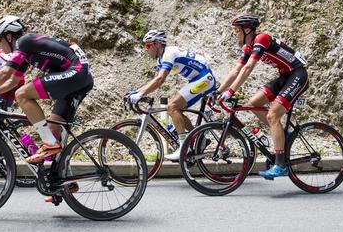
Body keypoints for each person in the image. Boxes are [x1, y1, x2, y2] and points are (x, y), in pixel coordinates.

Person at [0, 16, 93, 165]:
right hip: (81, 77)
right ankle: (63, 178)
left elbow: (5, 73)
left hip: (76, 72)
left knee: (22, 94)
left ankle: (49, 143)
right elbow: (12, 81)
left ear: (9, 36)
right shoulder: (26, 51)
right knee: (54, 129)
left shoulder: (23, 42)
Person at [217, 13, 309, 179]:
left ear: (247, 30)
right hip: (285, 76)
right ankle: (283, 135)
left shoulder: (262, 39)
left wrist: (231, 92)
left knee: (273, 115)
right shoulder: (248, 46)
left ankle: (281, 165)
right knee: (253, 103)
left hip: (298, 74)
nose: (235, 34)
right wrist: (218, 91)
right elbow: (236, 70)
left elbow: (248, 68)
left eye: (237, 31)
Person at [125, 30, 218, 161]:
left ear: (157, 44)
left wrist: (139, 94)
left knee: (172, 107)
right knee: (176, 109)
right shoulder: (161, 59)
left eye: (147, 45)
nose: (146, 49)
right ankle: (198, 138)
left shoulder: (169, 52)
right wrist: (136, 92)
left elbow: (160, 79)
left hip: (204, 78)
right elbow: (155, 80)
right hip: (198, 79)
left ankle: (184, 147)